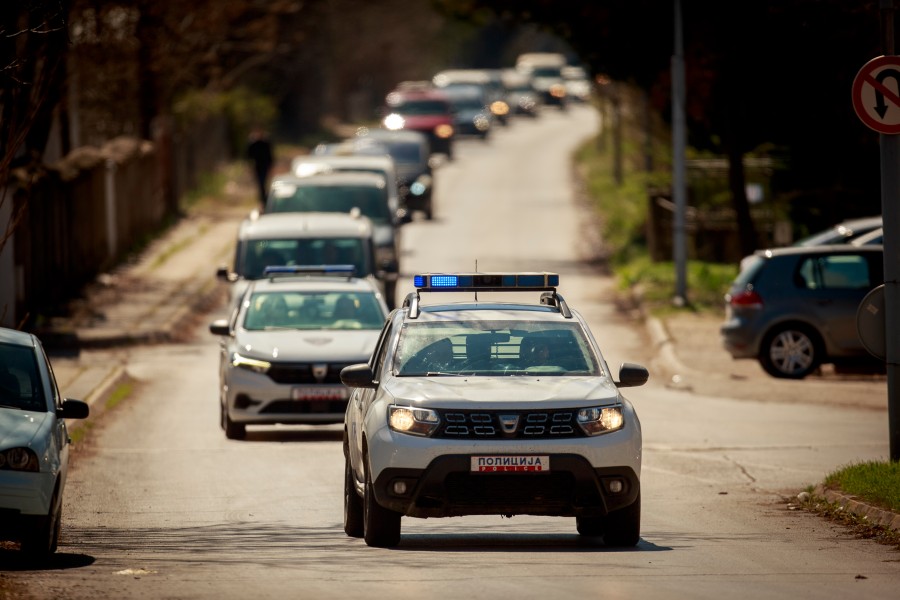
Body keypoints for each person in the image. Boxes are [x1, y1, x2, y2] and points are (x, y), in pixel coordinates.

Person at [247, 126, 274, 208]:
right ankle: (263, 198)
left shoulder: (265, 143)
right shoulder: (253, 144)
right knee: (260, 182)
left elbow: (270, 155)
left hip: (264, 165)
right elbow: (248, 155)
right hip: (257, 165)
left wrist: (270, 165)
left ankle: (264, 198)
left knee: (263, 182)